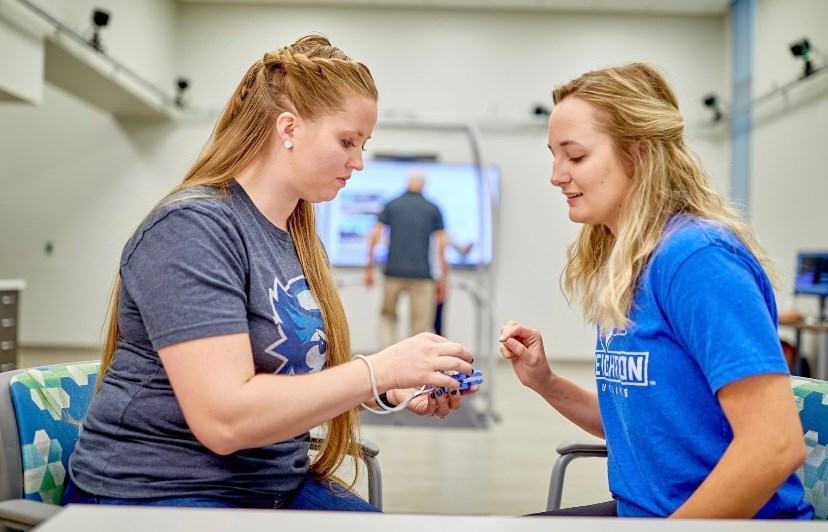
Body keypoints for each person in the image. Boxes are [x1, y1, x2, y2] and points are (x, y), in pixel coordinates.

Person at [63, 33, 476, 512]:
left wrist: (384, 388)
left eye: (363, 144)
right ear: (289, 128)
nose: (358, 162)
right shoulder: (193, 228)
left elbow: (281, 374)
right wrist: (374, 371)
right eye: (347, 141)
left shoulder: (294, 235)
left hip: (268, 486)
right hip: (161, 492)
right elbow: (224, 421)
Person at [499, 63, 813, 519]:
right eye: (554, 155)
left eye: (576, 156)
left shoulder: (697, 260)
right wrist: (546, 382)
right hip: (646, 513)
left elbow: (776, 446)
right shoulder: (633, 260)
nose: (556, 175)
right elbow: (644, 429)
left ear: (639, 155)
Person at [365, 171, 448, 347]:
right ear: (424, 185)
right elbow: (441, 247)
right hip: (423, 275)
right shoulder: (433, 208)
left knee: (387, 316)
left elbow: (374, 236)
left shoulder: (392, 205)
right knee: (421, 324)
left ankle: (386, 358)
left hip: (393, 272)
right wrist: (443, 280)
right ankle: (416, 364)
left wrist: (369, 268)